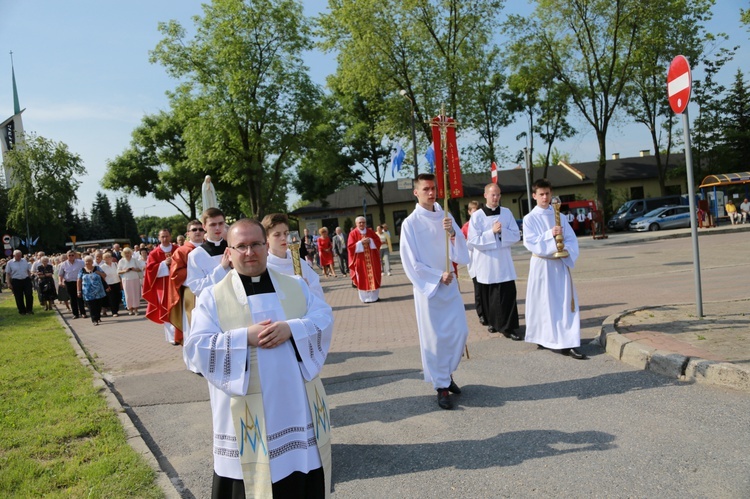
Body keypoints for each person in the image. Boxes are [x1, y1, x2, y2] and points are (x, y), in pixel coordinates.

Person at [185, 218, 334, 498]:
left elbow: (323, 317)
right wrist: (244, 338)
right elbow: (196, 349)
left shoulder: (295, 285)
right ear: (229, 252)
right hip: (245, 420)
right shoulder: (212, 297)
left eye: (255, 244)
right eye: (241, 246)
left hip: (294, 409)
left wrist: (292, 328)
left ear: (266, 247)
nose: (249, 252)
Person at [399, 174, 470, 410]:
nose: (432, 193)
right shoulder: (410, 223)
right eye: (426, 189)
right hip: (429, 289)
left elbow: (462, 254)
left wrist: (452, 234)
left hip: (450, 287)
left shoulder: (446, 215)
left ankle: (447, 374)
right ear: (416, 193)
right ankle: (441, 386)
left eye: (434, 188)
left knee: (459, 331)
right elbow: (410, 262)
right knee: (435, 339)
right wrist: (437, 276)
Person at [523, 178, 586, 360]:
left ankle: (569, 342)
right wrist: (549, 235)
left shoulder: (560, 216)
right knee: (543, 303)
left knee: (565, 303)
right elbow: (531, 242)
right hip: (542, 265)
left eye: (547, 194)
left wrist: (566, 250)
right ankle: (543, 337)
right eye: (541, 194)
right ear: (534, 195)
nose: (545, 197)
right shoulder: (530, 219)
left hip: (559, 264)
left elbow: (572, 239)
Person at [468, 183, 522, 340]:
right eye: (493, 195)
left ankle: (509, 327)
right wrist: (491, 232)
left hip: (503, 261)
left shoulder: (506, 213)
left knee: (507, 294)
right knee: (490, 296)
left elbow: (515, 235)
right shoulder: (477, 216)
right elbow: (473, 240)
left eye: (498, 194)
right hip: (487, 263)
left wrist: (501, 232)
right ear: (485, 195)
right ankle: (493, 322)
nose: (496, 197)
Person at [167, 219, 204, 373]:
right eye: (194, 230)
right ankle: (193, 364)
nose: (198, 232)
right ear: (188, 233)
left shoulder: (209, 248)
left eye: (200, 229)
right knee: (192, 328)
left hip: (211, 292)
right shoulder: (182, 251)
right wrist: (196, 273)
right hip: (192, 294)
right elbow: (175, 275)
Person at [262, 213, 324, 301]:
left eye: (286, 233)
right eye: (277, 234)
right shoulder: (263, 266)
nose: (283, 238)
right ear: (266, 237)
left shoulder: (299, 262)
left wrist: (307, 289)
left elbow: (317, 291)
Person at [142, 229, 179, 344]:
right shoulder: (154, 253)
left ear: (170, 236)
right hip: (162, 286)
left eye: (167, 236)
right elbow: (150, 270)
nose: (165, 239)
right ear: (159, 238)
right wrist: (164, 264)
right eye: (162, 237)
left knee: (178, 308)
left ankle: (180, 334)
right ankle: (172, 337)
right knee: (166, 309)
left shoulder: (177, 249)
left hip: (177, 284)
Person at [186, 207, 230, 300]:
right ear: (204, 226)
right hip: (211, 303)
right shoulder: (195, 255)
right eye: (213, 224)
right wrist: (221, 268)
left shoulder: (233, 248)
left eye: (221, 223)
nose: (217, 228)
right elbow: (196, 288)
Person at [347, 216, 382, 303]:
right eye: (360, 223)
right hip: (360, 261)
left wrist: (370, 240)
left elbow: (378, 241)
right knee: (362, 278)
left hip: (372, 260)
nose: (362, 224)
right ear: (356, 224)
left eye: (363, 222)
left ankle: (374, 297)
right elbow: (350, 247)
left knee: (373, 276)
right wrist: (360, 243)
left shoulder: (370, 231)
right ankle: (365, 298)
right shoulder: (353, 233)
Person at [462, 200, 485, 326]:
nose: (476, 215)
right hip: (473, 262)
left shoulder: (483, 223)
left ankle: (488, 312)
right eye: (474, 212)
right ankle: (481, 313)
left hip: (484, 261)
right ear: (470, 212)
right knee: (478, 290)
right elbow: (460, 244)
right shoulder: (466, 227)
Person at [77, 255, 107, 325]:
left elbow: (104, 275)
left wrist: (99, 273)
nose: (87, 263)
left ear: (92, 262)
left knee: (98, 305)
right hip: (87, 292)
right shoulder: (82, 270)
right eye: (86, 261)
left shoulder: (97, 268)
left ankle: (98, 317)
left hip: (98, 291)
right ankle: (94, 320)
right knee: (91, 306)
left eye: (89, 261)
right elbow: (79, 280)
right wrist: (78, 291)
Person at [59, 250, 86, 319]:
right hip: (69, 282)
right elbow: (61, 274)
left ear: (75, 255)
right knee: (72, 298)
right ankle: (75, 314)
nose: (71, 257)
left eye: (72, 255)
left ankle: (83, 313)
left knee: (80, 297)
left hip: (79, 282)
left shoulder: (81, 262)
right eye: (69, 255)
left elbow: (86, 270)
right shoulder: (63, 264)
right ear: (67, 256)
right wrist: (60, 281)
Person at [6, 249, 34, 315]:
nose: (19, 257)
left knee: (29, 294)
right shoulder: (10, 263)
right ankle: (22, 311)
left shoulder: (24, 261)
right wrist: (9, 283)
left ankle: (29, 310)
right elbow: (8, 273)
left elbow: (28, 270)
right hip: (16, 280)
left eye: (20, 255)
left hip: (26, 279)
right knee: (18, 296)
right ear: (14, 255)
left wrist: (30, 277)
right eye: (18, 256)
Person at [118, 247, 143, 315]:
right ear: (123, 254)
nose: (127, 254)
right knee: (128, 295)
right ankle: (130, 309)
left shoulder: (135, 260)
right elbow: (118, 271)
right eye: (125, 253)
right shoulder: (121, 261)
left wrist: (134, 269)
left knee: (135, 294)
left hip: (135, 278)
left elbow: (140, 269)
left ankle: (136, 309)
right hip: (126, 279)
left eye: (128, 253)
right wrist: (125, 270)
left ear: (131, 253)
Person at [100, 252, 122, 317]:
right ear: (104, 259)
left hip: (117, 282)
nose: (108, 258)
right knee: (112, 299)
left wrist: (121, 283)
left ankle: (116, 310)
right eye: (106, 257)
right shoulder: (102, 267)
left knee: (118, 298)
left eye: (109, 257)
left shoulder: (115, 264)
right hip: (109, 284)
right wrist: (106, 286)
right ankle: (114, 312)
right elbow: (102, 277)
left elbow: (119, 274)